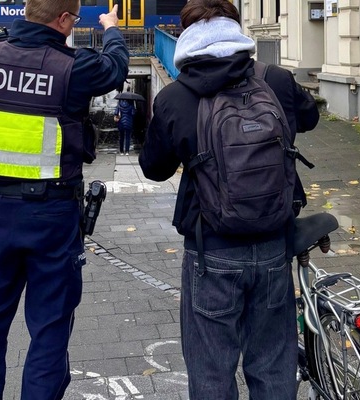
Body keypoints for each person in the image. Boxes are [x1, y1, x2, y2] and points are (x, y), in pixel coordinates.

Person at [0, 1, 129, 399]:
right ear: (64, 20)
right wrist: (111, 27)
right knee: (49, 329)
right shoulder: (73, 68)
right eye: (74, 21)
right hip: (54, 216)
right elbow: (116, 68)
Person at [138, 0, 319, 398]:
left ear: (187, 34)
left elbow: (154, 169)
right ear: (236, 30)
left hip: (212, 250)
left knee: (211, 374)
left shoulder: (174, 98)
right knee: (273, 367)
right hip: (273, 245)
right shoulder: (276, 80)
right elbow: (309, 119)